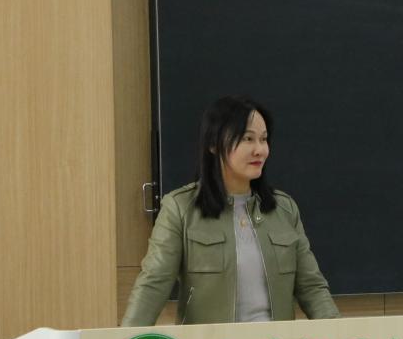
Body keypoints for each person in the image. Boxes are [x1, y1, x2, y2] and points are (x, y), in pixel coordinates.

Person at [122, 95, 339, 326]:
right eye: (248, 139)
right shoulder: (180, 208)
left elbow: (311, 287)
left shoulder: (284, 209)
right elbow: (153, 284)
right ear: (213, 144)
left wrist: (339, 333)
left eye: (263, 139)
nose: (260, 150)